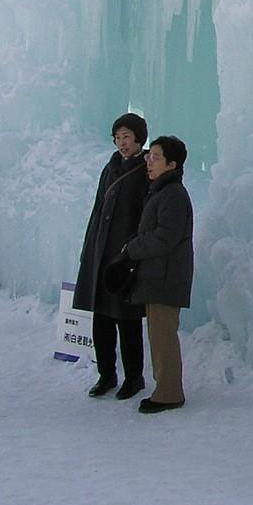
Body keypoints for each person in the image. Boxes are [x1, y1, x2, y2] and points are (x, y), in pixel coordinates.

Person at [72, 113, 150, 400]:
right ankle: (106, 374)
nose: (121, 143)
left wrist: (134, 254)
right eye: (117, 137)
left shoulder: (144, 170)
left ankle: (134, 377)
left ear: (139, 138)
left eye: (126, 136)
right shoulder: (111, 167)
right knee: (101, 318)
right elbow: (97, 209)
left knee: (127, 320)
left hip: (125, 256)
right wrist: (88, 249)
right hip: (102, 251)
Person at [123, 135, 193, 414]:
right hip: (157, 276)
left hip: (166, 277)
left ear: (172, 164)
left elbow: (166, 237)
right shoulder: (162, 191)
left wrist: (132, 248)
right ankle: (164, 389)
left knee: (163, 337)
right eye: (148, 156)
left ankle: (169, 394)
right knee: (158, 335)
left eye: (155, 157)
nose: (149, 162)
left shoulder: (172, 194)